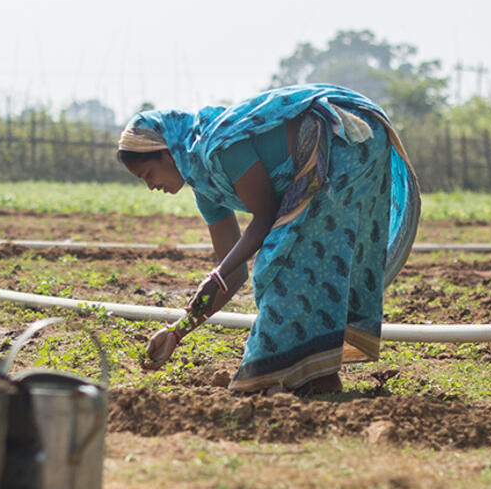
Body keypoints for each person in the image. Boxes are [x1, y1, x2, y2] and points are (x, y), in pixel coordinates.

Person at [117, 84, 420, 393]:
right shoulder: (206, 187)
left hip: (347, 137)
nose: (151, 186)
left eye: (147, 175)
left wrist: (217, 275)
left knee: (283, 260)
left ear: (168, 154)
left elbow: (264, 217)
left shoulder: (219, 146)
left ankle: (298, 379)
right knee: (298, 261)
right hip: (338, 147)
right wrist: (177, 332)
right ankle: (318, 379)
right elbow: (232, 274)